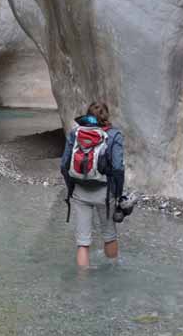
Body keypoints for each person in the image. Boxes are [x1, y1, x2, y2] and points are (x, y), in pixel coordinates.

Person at [60, 102, 125, 267]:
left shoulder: (75, 133)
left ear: (87, 115)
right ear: (107, 116)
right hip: (105, 193)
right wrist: (118, 194)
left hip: (80, 192)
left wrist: (71, 187)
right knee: (109, 235)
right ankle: (112, 274)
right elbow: (118, 168)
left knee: (83, 242)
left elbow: (64, 165)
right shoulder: (114, 135)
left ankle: (83, 284)